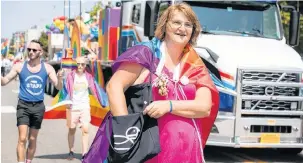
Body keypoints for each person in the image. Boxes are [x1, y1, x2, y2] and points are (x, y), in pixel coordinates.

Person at [83, 2, 219, 163]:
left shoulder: (195, 64)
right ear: (164, 25)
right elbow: (114, 86)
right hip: (146, 153)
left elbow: (204, 107)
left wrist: (168, 106)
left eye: (188, 25)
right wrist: (126, 136)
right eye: (176, 22)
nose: (182, 28)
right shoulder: (146, 53)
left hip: (186, 153)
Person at [1, 40, 64, 163]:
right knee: (22, 138)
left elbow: (58, 87)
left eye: (34, 50)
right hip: (23, 105)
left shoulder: (47, 68)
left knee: (32, 138)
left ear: (40, 52)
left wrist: (60, 78)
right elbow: (4, 81)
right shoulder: (19, 66)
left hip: (38, 107)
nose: (31, 52)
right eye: (29, 49)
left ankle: (28, 160)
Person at [43, 56, 109, 161]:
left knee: (85, 130)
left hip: (84, 107)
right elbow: (60, 88)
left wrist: (104, 103)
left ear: (85, 66)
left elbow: (97, 91)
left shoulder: (89, 77)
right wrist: (59, 78)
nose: (80, 66)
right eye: (78, 64)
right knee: (72, 130)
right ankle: (71, 151)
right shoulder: (70, 77)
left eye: (82, 64)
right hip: (72, 107)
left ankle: (84, 154)